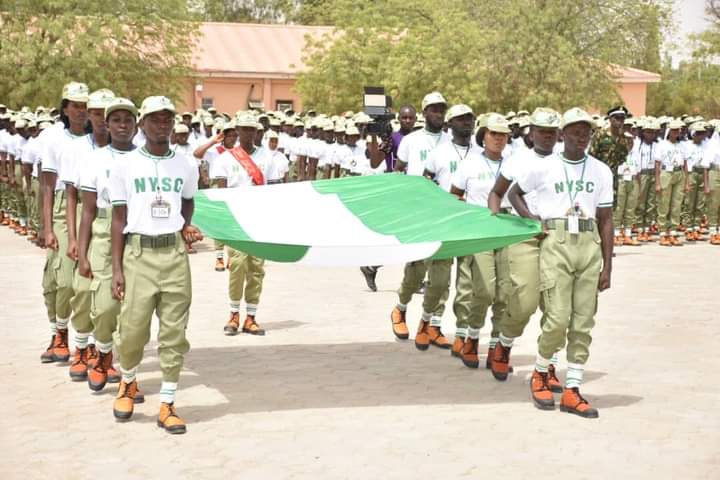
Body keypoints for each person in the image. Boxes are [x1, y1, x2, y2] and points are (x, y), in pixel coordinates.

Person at [508, 107, 613, 419]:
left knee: (583, 321)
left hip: (588, 243)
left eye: (587, 132)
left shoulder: (601, 170)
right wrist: (533, 220)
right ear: (562, 134)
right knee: (557, 317)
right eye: (575, 131)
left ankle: (573, 389)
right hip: (556, 242)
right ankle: (541, 372)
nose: (582, 137)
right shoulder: (545, 166)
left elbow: (606, 219)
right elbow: (514, 194)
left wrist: (607, 266)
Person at [109, 96, 202, 434]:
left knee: (174, 333)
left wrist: (183, 226)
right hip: (138, 254)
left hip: (174, 255)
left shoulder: (186, 165)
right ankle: (128, 382)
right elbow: (118, 218)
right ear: (142, 124)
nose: (162, 125)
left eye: (167, 119)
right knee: (133, 330)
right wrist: (117, 268)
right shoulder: (125, 165)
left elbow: (188, 200)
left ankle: (168, 403)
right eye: (155, 119)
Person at [486, 108, 562, 388]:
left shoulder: (564, 160)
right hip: (523, 233)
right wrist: (496, 222)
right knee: (526, 300)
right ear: (532, 132)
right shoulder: (517, 159)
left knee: (555, 304)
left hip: (556, 236)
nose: (547, 136)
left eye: (552, 132)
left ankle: (548, 364)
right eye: (542, 131)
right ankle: (505, 342)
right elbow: (497, 193)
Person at [76, 97, 139, 392]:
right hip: (103, 231)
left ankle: (128, 373)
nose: (122, 125)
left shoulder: (145, 159)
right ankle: (102, 352)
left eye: (128, 120)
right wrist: (82, 252)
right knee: (104, 306)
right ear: (107, 125)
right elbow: (88, 210)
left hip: (137, 234)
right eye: (116, 120)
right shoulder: (95, 159)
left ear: (136, 125)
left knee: (133, 310)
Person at [449, 111, 512, 368]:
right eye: (494, 133)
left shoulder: (513, 164)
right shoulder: (470, 164)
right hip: (479, 230)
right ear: (483, 136)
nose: (499, 139)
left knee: (505, 292)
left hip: (507, 229)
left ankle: (496, 346)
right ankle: (472, 338)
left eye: (503, 135)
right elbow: (454, 195)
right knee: (484, 289)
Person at [61, 88, 115, 381]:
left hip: (116, 224)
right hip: (86, 220)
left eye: (106, 113)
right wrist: (72, 238)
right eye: (96, 113)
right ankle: (81, 347)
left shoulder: (128, 150)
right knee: (83, 288)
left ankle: (103, 350)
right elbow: (71, 196)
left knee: (111, 293)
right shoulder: (77, 149)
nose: (101, 119)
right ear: (89, 116)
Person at [389, 92, 450, 342]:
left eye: (441, 109)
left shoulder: (451, 141)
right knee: (416, 270)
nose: (438, 114)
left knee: (442, 275)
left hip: (445, 212)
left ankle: (433, 324)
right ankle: (401, 308)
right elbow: (398, 171)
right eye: (434, 109)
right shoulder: (411, 140)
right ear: (424, 113)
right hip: (419, 211)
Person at [40, 81, 90, 364]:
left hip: (91, 205)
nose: (81, 111)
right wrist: (47, 228)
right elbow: (47, 186)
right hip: (62, 206)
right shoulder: (54, 137)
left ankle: (89, 341)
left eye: (85, 106)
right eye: (75, 106)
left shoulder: (98, 136)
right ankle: (59, 332)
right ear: (65, 108)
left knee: (90, 276)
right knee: (64, 278)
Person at [212, 114, 271, 336]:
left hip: (260, 220)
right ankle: (234, 314)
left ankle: (251, 317)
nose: (247, 133)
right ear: (237, 130)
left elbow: (275, 189)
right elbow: (221, 192)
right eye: (243, 129)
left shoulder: (267, 157)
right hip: (236, 220)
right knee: (237, 265)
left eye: (251, 129)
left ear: (257, 131)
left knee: (256, 269)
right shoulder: (226, 159)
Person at [194, 120, 238, 271]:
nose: (232, 139)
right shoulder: (215, 152)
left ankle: (232, 255)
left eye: (235, 136)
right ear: (223, 136)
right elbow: (197, 154)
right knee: (220, 224)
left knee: (233, 224)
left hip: (233, 188)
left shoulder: (239, 152)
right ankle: (219, 257)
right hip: (217, 186)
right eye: (229, 135)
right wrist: (213, 141)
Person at [656, 119, 687, 246]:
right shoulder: (662, 145)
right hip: (666, 173)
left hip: (679, 173)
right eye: (673, 130)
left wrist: (686, 181)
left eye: (678, 130)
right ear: (669, 131)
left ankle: (673, 232)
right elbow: (657, 164)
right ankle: (663, 232)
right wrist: (658, 182)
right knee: (664, 203)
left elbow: (685, 163)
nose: (676, 133)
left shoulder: (682, 145)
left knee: (676, 204)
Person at [633, 120, 662, 242]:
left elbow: (658, 162)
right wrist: (637, 176)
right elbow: (635, 161)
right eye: (648, 132)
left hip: (653, 173)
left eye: (653, 132)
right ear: (643, 132)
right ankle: (640, 227)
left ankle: (647, 227)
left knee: (651, 202)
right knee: (640, 201)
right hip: (642, 173)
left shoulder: (657, 145)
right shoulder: (637, 144)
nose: (650, 134)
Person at [612, 132, 641, 246]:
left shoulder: (636, 154)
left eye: (631, 140)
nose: (629, 143)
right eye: (626, 140)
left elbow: (638, 171)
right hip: (621, 180)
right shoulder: (617, 153)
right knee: (619, 208)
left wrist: (639, 186)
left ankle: (628, 234)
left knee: (630, 208)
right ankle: (616, 234)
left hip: (633, 180)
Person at [682, 123, 709, 240]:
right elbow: (684, 163)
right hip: (691, 173)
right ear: (693, 134)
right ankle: (688, 228)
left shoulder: (706, 145)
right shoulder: (686, 145)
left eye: (702, 133)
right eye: (698, 133)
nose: (700, 135)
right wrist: (686, 179)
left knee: (700, 202)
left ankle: (696, 226)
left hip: (702, 172)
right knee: (689, 202)